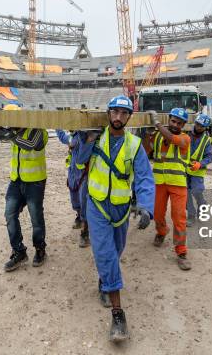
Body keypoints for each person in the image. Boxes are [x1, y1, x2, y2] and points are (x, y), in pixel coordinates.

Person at [77, 95, 155, 342]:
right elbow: (79, 161)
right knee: (106, 253)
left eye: (124, 113)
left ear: (129, 117)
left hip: (121, 211)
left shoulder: (134, 144)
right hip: (97, 206)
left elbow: (144, 177)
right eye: (115, 112)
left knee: (117, 250)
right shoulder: (96, 137)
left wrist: (145, 206)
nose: (118, 117)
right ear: (108, 114)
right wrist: (86, 140)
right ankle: (118, 314)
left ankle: (105, 281)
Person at [0, 104, 49, 272]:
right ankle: (19, 251)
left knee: (36, 219)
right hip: (16, 180)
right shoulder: (13, 131)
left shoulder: (38, 129)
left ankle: (40, 249)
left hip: (35, 181)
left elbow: (29, 144)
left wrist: (9, 134)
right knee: (9, 214)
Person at [144, 108, 192, 271]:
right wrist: (148, 134)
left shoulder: (185, 138)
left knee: (179, 218)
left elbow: (171, 138)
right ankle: (161, 231)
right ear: (169, 120)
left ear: (183, 125)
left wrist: (157, 123)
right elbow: (146, 150)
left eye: (179, 123)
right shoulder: (158, 136)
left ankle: (181, 252)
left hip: (178, 184)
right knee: (157, 213)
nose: (175, 125)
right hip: (160, 182)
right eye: (173, 121)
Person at [56, 129, 90, 247]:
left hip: (84, 174)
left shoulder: (85, 136)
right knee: (74, 199)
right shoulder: (72, 136)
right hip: (73, 173)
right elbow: (63, 138)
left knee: (84, 201)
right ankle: (79, 216)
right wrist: (57, 126)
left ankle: (86, 232)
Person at [186, 114, 212, 227]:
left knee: (196, 191)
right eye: (197, 124)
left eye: (201, 126)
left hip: (198, 171)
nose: (198, 127)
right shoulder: (186, 134)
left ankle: (202, 205)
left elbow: (210, 157)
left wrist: (200, 164)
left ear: (205, 128)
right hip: (184, 169)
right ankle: (191, 216)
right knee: (186, 194)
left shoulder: (206, 140)